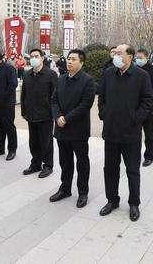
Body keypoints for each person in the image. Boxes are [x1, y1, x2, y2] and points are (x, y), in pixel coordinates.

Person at [98, 44, 153, 222]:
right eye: (114, 53)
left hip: (131, 133)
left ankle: (134, 203)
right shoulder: (108, 73)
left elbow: (148, 100)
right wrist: (104, 114)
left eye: (119, 53)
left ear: (130, 56)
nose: (115, 55)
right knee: (110, 169)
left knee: (132, 170)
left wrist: (135, 118)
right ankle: (112, 200)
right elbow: (102, 97)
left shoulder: (141, 76)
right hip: (111, 131)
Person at [49, 49, 96, 207]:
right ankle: (65, 188)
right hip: (61, 129)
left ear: (81, 63)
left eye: (73, 59)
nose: (69, 62)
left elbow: (85, 105)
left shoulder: (88, 81)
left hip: (78, 129)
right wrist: (57, 117)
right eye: (69, 59)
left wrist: (66, 119)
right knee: (65, 161)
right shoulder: (61, 79)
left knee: (82, 162)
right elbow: (54, 101)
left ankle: (83, 192)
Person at [21, 48, 58, 178]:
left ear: (42, 58)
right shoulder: (27, 74)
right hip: (31, 114)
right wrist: (23, 111)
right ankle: (35, 164)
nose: (33, 58)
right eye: (31, 56)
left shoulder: (51, 75)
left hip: (45, 115)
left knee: (46, 142)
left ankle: (48, 165)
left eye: (36, 56)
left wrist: (54, 113)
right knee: (33, 141)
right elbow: (23, 94)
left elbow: (55, 96)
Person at [135, 49, 153, 167]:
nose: (138, 59)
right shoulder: (134, 70)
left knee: (148, 133)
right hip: (134, 107)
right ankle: (135, 154)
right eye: (137, 57)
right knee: (135, 133)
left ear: (146, 58)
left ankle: (149, 156)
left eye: (140, 57)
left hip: (148, 108)